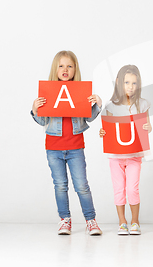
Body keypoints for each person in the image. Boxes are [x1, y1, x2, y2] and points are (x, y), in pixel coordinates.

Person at [31, 50, 103, 235]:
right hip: (54, 148)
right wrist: (35, 110)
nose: (65, 69)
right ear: (55, 69)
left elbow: (89, 118)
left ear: (75, 70)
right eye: (61, 66)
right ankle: (65, 220)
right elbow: (42, 122)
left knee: (81, 185)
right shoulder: (49, 93)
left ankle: (91, 220)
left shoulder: (79, 93)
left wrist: (97, 105)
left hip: (75, 147)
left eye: (69, 66)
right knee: (60, 185)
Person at [100, 65, 152, 235]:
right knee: (119, 189)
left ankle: (135, 221)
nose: (130, 86)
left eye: (134, 83)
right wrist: (102, 132)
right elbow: (108, 130)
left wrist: (147, 126)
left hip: (134, 155)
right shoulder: (110, 106)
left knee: (132, 189)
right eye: (126, 82)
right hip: (115, 156)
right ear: (118, 83)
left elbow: (147, 126)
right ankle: (122, 222)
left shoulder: (142, 104)